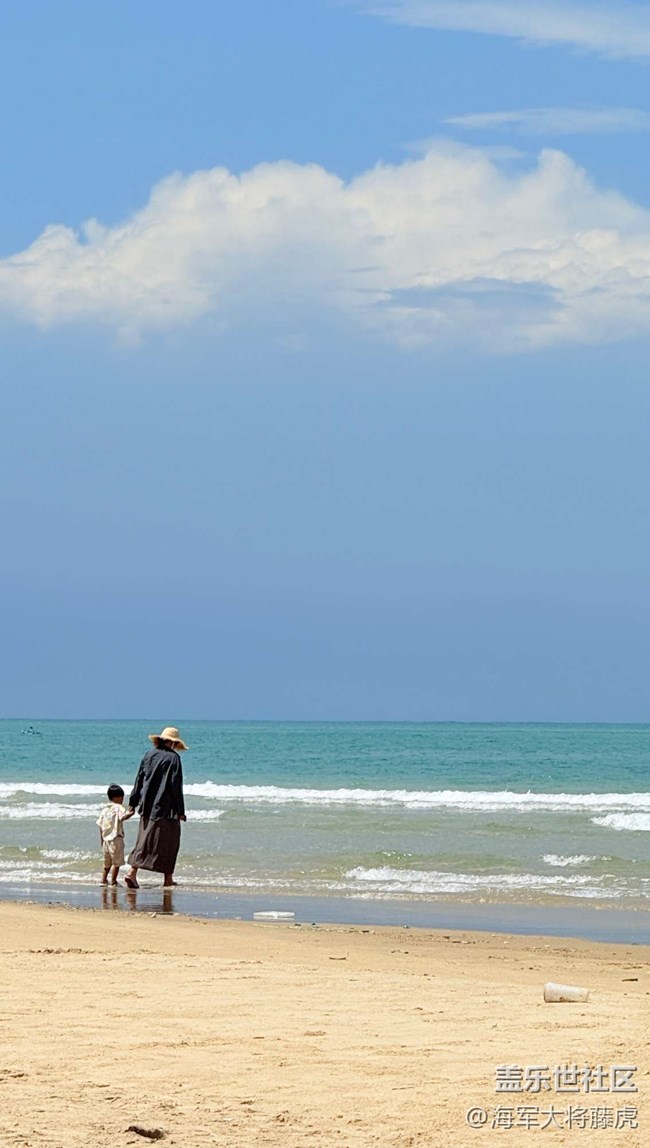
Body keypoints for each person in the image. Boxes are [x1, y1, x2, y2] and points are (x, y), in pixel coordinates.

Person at [124, 726, 188, 889]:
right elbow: (175, 786)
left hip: (147, 806)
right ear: (173, 743)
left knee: (143, 840)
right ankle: (167, 879)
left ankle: (132, 872)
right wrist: (180, 811)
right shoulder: (173, 759)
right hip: (166, 809)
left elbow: (139, 780)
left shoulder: (149, 755)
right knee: (170, 843)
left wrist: (133, 802)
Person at [97, 784, 134, 885]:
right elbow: (123, 817)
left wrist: (102, 839)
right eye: (122, 798)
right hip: (116, 838)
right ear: (117, 798)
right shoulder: (119, 808)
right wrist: (131, 813)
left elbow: (100, 825)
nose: (122, 800)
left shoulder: (105, 810)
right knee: (116, 863)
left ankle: (103, 880)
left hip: (106, 840)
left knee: (107, 863)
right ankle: (113, 881)